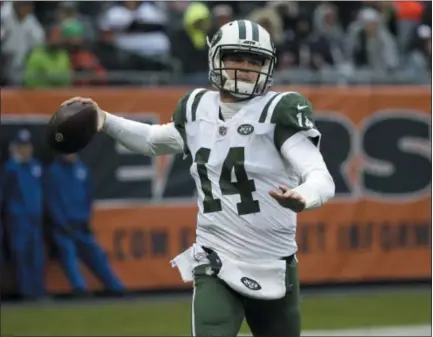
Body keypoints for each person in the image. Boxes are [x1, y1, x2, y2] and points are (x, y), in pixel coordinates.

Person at [61, 20, 335, 337]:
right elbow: (152, 140)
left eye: (254, 61)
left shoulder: (278, 110)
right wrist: (104, 120)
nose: (246, 67)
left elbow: (320, 176)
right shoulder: (196, 107)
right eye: (236, 57)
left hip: (275, 261)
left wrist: (305, 195)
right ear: (217, 58)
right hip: (215, 257)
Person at [44, 153, 125, 297]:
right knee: (68, 255)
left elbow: (88, 196)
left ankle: (115, 287)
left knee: (97, 255)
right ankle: (80, 288)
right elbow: (51, 201)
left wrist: (87, 218)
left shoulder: (82, 169)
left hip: (81, 224)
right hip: (63, 226)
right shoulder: (53, 172)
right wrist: (60, 222)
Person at [0, 129, 46, 300]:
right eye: (21, 146)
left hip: (36, 218)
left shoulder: (36, 166)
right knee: (21, 254)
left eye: (27, 146)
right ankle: (26, 292)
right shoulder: (10, 168)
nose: (25, 150)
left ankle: (38, 291)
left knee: (37, 256)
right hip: (18, 219)